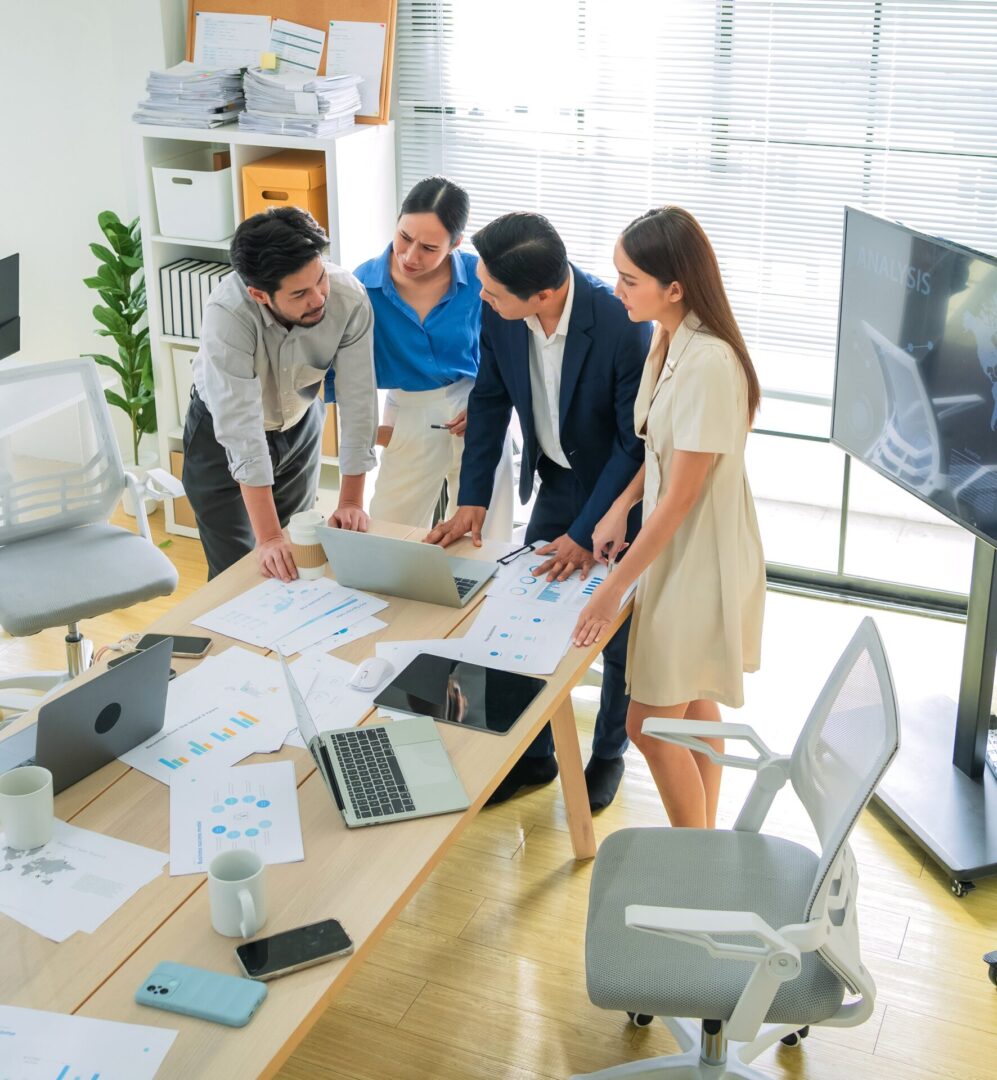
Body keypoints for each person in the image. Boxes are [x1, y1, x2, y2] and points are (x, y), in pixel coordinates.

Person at [427, 212, 652, 810]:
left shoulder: (620, 323)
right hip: (555, 480)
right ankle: (533, 757)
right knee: (525, 616)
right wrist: (472, 498)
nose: (481, 297)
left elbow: (634, 444)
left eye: (493, 292)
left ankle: (607, 754)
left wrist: (585, 531)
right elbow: (489, 397)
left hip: (616, 496)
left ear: (544, 294)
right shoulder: (498, 306)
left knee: (612, 633)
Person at [571, 206, 765, 829]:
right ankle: (706, 844)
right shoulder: (668, 337)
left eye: (629, 279)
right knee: (693, 703)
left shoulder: (709, 362)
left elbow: (682, 496)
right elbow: (663, 450)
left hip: (698, 559)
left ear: (674, 287)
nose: (616, 289)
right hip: (677, 545)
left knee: (648, 725)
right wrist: (621, 505)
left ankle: (694, 857)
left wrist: (613, 589)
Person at [184, 207, 378, 582]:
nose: (318, 298)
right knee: (240, 574)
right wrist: (270, 538)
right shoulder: (228, 314)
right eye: (300, 293)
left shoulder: (348, 298)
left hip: (300, 423)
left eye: (320, 279)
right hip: (222, 441)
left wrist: (352, 501)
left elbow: (359, 400)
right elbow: (241, 431)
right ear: (259, 294)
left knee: (301, 558)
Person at [329, 176, 512, 538]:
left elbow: (510, 352)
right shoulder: (361, 286)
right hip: (408, 409)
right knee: (389, 535)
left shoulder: (480, 278)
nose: (411, 256)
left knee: (485, 536)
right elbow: (344, 374)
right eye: (405, 237)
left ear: (455, 244)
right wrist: (375, 431)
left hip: (476, 404)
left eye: (429, 247)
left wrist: (490, 403)